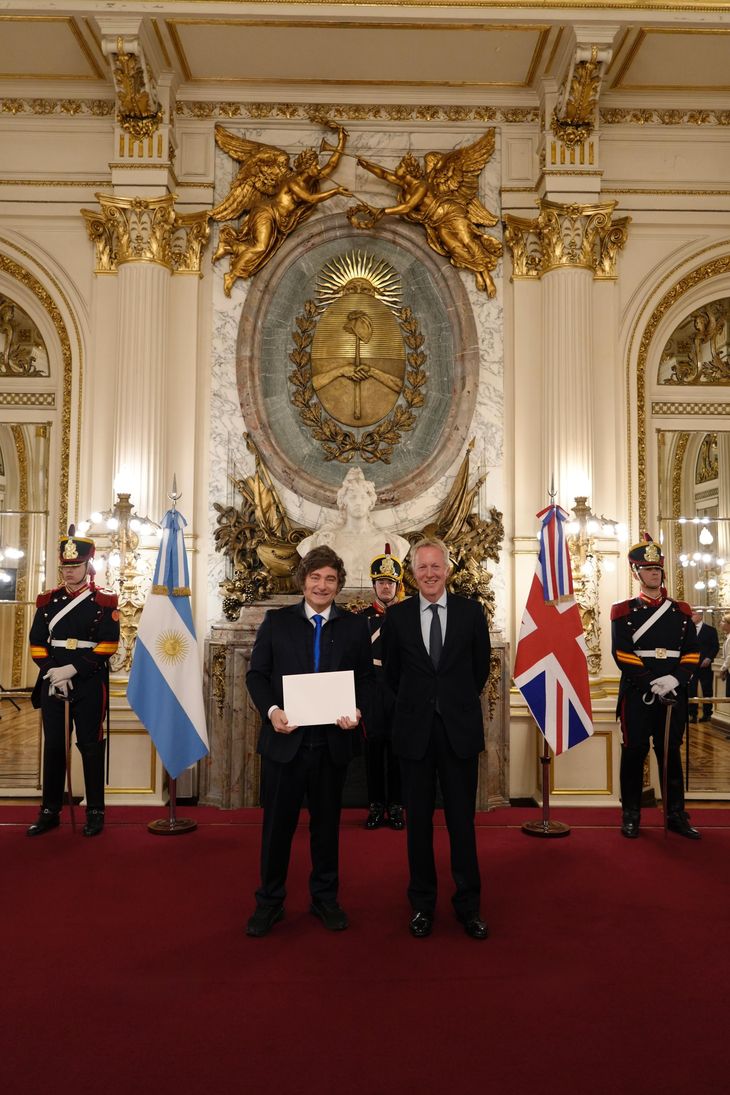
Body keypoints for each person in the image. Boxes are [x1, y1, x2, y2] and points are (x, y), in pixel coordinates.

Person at [245, 545, 373, 937]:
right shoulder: (277, 621)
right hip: (286, 743)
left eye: (330, 579)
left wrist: (358, 711)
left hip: (332, 743)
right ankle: (269, 901)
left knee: (326, 828)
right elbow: (256, 675)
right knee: (277, 828)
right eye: (315, 577)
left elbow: (366, 681)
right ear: (303, 581)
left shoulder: (353, 627)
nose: (322, 585)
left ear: (339, 585)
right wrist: (271, 712)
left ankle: (325, 898)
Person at [382, 537, 491, 940]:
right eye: (422, 567)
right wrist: (420, 705)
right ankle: (422, 905)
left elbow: (479, 670)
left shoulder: (470, 613)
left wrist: (451, 702)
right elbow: (392, 675)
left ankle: (469, 905)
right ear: (413, 573)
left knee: (463, 824)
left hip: (459, 733)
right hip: (414, 736)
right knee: (418, 827)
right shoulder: (398, 618)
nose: (429, 573)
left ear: (447, 570)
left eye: (436, 566)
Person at [27, 527, 119, 837]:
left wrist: (73, 670)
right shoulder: (47, 600)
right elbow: (37, 643)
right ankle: (50, 811)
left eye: (75, 566)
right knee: (54, 746)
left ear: (88, 566)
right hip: (54, 682)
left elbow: (108, 644)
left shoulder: (104, 601)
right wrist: (54, 672)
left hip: (89, 682)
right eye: (65, 567)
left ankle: (95, 811)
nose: (69, 572)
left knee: (90, 746)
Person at [611, 534, 701, 840]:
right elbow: (622, 654)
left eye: (658, 569)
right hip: (638, 694)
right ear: (636, 573)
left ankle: (676, 814)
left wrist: (674, 679)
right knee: (634, 753)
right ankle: (631, 814)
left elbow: (692, 652)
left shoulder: (682, 611)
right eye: (648, 569)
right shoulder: (623, 612)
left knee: (670, 754)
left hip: (674, 693)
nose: (654, 574)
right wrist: (652, 681)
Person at [296, 467, 409, 587]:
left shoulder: (393, 542)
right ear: (343, 502)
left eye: (363, 497)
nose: (358, 502)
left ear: (371, 502)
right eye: (353, 497)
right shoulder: (321, 541)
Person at [361, 546, 405, 831]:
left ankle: (397, 806)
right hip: (373, 693)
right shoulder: (360, 618)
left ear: (397, 586)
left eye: (390, 582)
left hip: (401, 693)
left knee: (399, 753)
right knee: (373, 754)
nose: (385, 586)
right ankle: (376, 806)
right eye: (381, 582)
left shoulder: (410, 616)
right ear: (374, 585)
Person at [688, 609, 720, 722]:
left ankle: (707, 714)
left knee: (707, 690)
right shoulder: (687, 630)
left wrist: (709, 658)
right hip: (691, 665)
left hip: (705, 666)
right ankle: (692, 714)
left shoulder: (710, 630)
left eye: (694, 614)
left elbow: (715, 646)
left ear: (701, 616)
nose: (691, 616)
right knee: (691, 689)